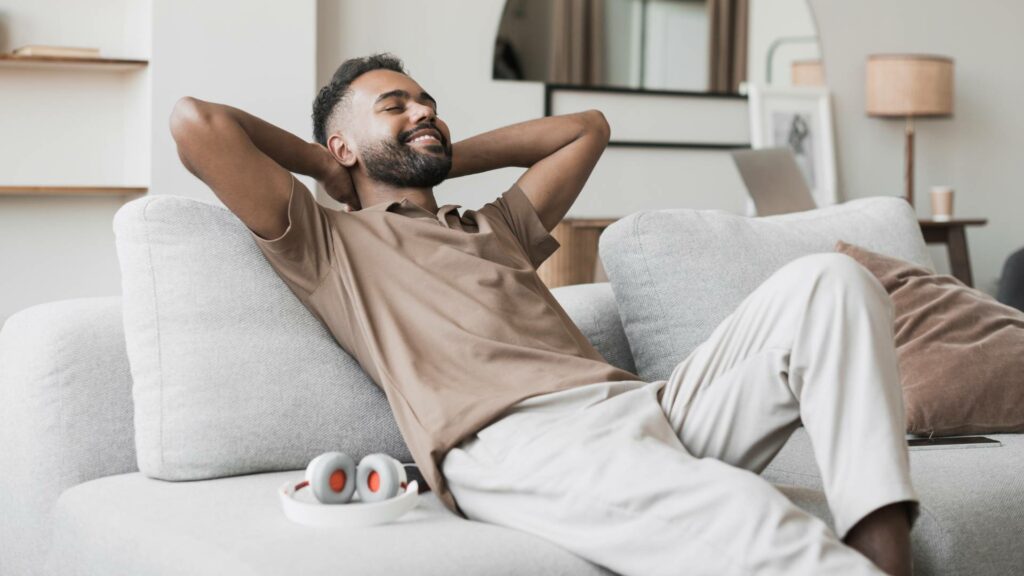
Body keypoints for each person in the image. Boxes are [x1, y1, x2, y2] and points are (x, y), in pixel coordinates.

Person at [169, 52, 919, 575]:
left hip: (645, 409)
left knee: (831, 284)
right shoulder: (330, 244)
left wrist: (432, 150)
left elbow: (587, 127)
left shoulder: (492, 227)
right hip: (519, 439)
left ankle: (890, 561)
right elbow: (196, 123)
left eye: (426, 101)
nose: (423, 109)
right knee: (743, 516)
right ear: (341, 144)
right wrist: (331, 167)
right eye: (394, 105)